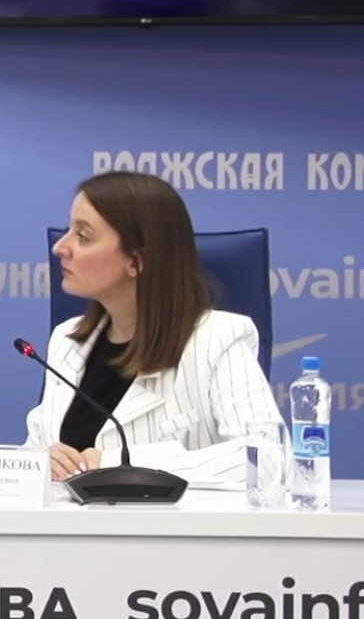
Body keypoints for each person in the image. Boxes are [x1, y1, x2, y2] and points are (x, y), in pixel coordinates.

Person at [23, 170, 282, 485]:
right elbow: (33, 454)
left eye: (84, 236)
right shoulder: (67, 341)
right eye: (68, 231)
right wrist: (41, 462)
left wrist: (121, 465)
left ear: (137, 261)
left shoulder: (217, 340)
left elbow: (267, 460)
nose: (60, 248)